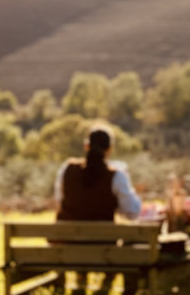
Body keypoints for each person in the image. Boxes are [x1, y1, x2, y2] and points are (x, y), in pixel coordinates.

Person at [53, 125, 142, 294]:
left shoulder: (67, 169)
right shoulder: (117, 175)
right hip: (103, 250)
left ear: (86, 146)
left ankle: (81, 283)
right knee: (132, 244)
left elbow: (59, 200)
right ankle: (106, 287)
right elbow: (132, 213)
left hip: (68, 248)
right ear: (109, 149)